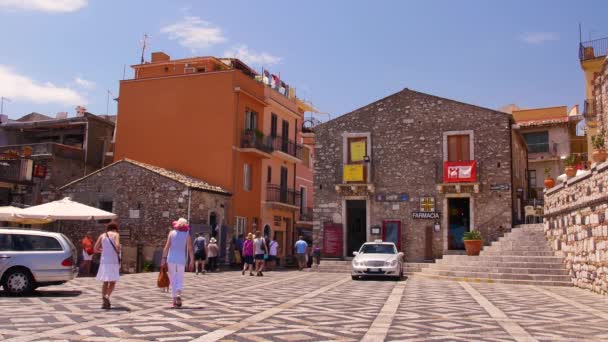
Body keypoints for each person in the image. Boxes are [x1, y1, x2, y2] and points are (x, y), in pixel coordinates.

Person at [161, 218, 194, 308]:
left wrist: (163, 259)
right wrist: (192, 260)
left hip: (171, 258)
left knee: (173, 278)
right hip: (181, 259)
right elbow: (190, 248)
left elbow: (166, 247)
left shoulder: (171, 233)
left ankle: (174, 299)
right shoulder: (187, 234)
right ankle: (178, 294)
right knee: (180, 277)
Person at [94, 223, 121, 310]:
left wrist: (103, 250)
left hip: (104, 260)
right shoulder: (116, 235)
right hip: (113, 261)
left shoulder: (102, 235)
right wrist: (118, 249)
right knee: (112, 281)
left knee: (105, 281)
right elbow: (117, 246)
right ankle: (107, 296)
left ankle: (104, 302)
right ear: (115, 229)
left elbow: (95, 248)